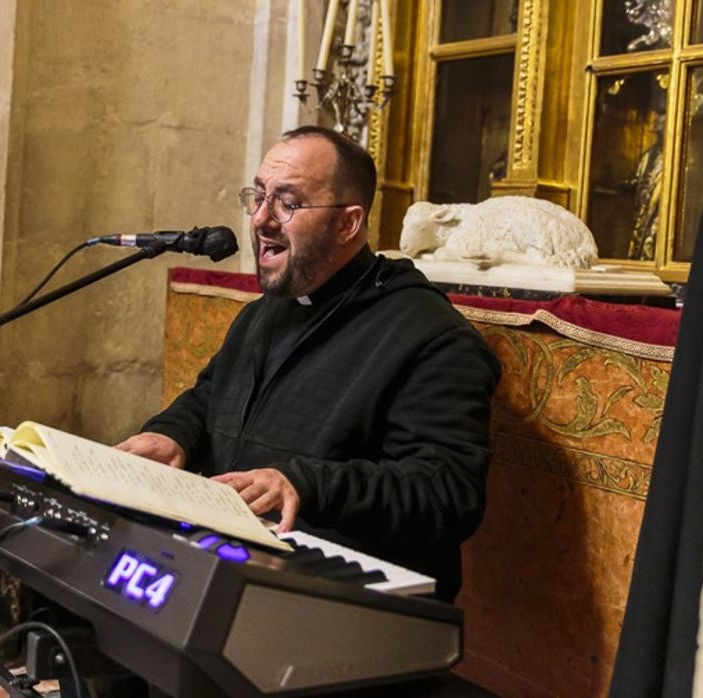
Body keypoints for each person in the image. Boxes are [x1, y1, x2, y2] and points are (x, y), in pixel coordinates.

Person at [117, 126, 501, 602]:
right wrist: (173, 434)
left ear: (347, 224)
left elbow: (448, 491)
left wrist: (303, 484)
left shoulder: (430, 336)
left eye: (287, 203)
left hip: (346, 598)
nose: (261, 218)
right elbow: (211, 398)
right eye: (259, 196)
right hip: (235, 561)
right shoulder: (266, 312)